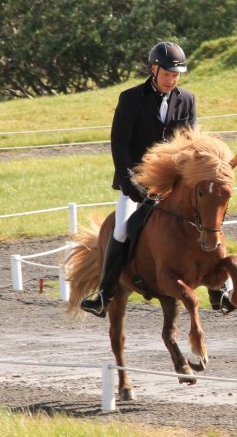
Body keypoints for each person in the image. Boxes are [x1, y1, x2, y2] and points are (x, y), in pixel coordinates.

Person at [80, 41, 196, 318]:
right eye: (167, 74)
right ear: (153, 69)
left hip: (172, 184)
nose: (172, 80)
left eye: (176, 75)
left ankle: (219, 286)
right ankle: (104, 295)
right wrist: (129, 182)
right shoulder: (130, 99)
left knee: (205, 218)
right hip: (138, 182)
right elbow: (119, 145)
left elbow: (190, 143)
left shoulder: (187, 99)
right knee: (120, 231)